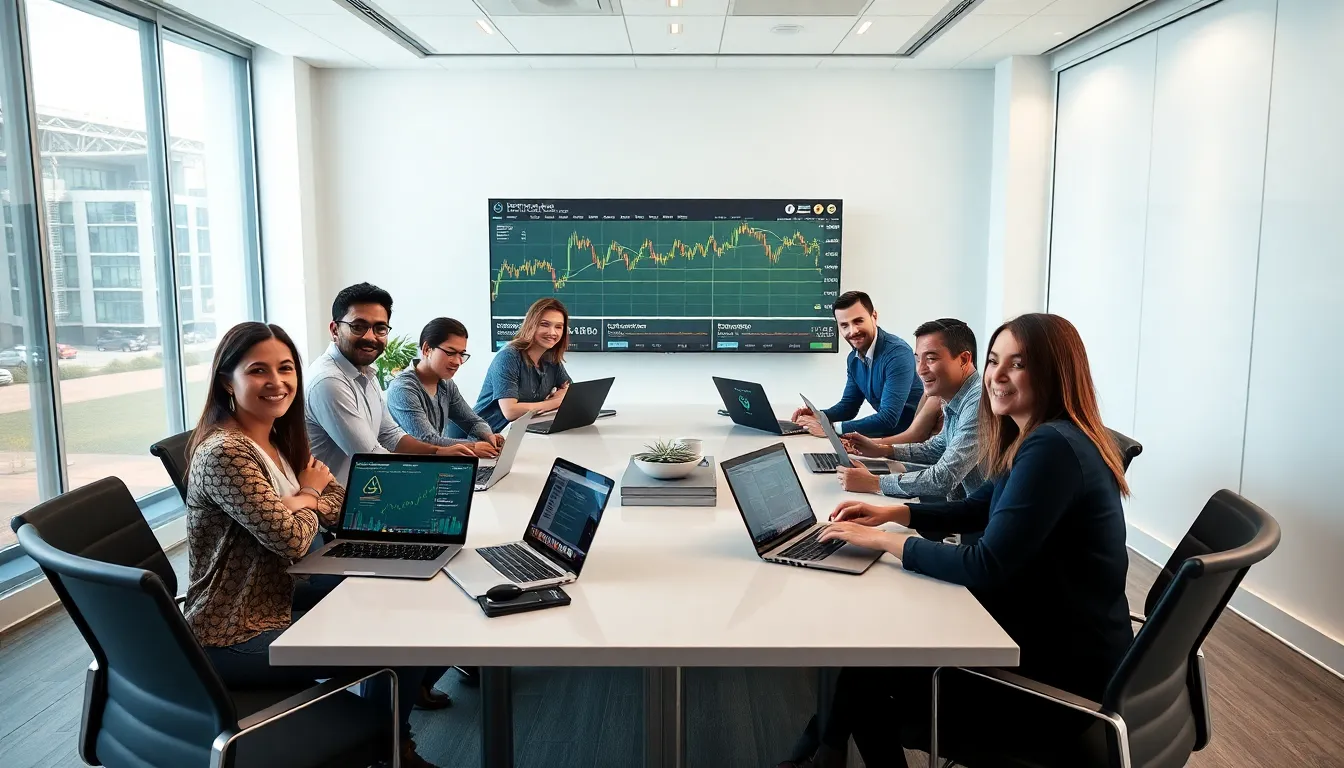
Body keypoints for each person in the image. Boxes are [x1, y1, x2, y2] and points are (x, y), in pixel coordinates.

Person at [785, 313, 1133, 768]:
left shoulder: (1052, 449)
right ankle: (817, 755)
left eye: (1018, 364)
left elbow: (985, 564)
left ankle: (815, 755)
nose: (997, 376)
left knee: (864, 671)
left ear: (1055, 373)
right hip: (1051, 630)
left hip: (1054, 678)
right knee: (866, 654)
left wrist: (885, 542)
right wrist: (896, 513)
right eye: (994, 361)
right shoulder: (1041, 437)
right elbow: (978, 506)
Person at [183, 322, 443, 768]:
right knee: (400, 645)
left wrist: (306, 499)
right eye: (258, 371)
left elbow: (340, 503)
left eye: (286, 369)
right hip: (232, 629)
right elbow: (290, 539)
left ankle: (389, 736)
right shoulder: (227, 452)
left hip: (280, 590)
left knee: (405, 591)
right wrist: (307, 495)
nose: (277, 382)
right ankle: (391, 752)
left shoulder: (278, 438)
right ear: (228, 380)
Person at [305, 282, 466, 708]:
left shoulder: (366, 375)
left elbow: (391, 436)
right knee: (432, 571)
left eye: (380, 328)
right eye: (360, 326)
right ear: (334, 327)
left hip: (362, 500)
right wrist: (441, 480)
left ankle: (417, 681)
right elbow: (371, 455)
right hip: (338, 516)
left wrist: (443, 456)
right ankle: (398, 712)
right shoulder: (328, 382)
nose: (372, 336)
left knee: (452, 552)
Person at [836, 318, 986, 501]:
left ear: (964, 359)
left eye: (931, 359)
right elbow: (938, 448)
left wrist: (874, 482)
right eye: (918, 359)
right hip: (957, 509)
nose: (920, 370)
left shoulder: (978, 402)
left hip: (977, 522)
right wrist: (882, 450)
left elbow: (943, 478)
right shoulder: (953, 394)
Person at [792, 291, 922, 438]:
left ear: (874, 317)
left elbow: (888, 418)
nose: (852, 331)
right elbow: (848, 407)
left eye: (858, 321)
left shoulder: (898, 354)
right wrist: (819, 415)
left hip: (909, 442)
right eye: (844, 325)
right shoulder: (853, 358)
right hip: (885, 438)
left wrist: (831, 428)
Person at [387, 317, 503, 456]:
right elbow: (427, 440)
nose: (458, 361)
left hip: (437, 464)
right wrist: (473, 447)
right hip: (410, 469)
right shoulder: (403, 388)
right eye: (450, 352)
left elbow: (474, 421)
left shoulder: (446, 384)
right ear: (427, 349)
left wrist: (488, 437)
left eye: (462, 354)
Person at [474, 297, 572, 433]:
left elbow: (569, 391)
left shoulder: (551, 358)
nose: (552, 332)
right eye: (544, 324)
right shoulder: (509, 356)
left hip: (520, 432)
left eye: (558, 327)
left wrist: (552, 401)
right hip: (482, 437)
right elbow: (510, 411)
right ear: (531, 324)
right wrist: (555, 402)